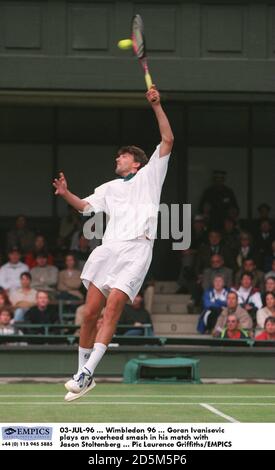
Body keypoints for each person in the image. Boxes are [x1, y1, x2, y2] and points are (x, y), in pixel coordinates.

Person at [53, 86, 173, 401]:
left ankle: (88, 370)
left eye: (122, 155)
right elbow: (85, 208)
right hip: (108, 249)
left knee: (113, 309)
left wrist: (157, 106)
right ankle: (83, 375)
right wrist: (66, 193)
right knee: (90, 312)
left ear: (136, 162)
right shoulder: (108, 187)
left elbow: (168, 140)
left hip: (137, 249)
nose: (117, 158)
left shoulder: (151, 174)